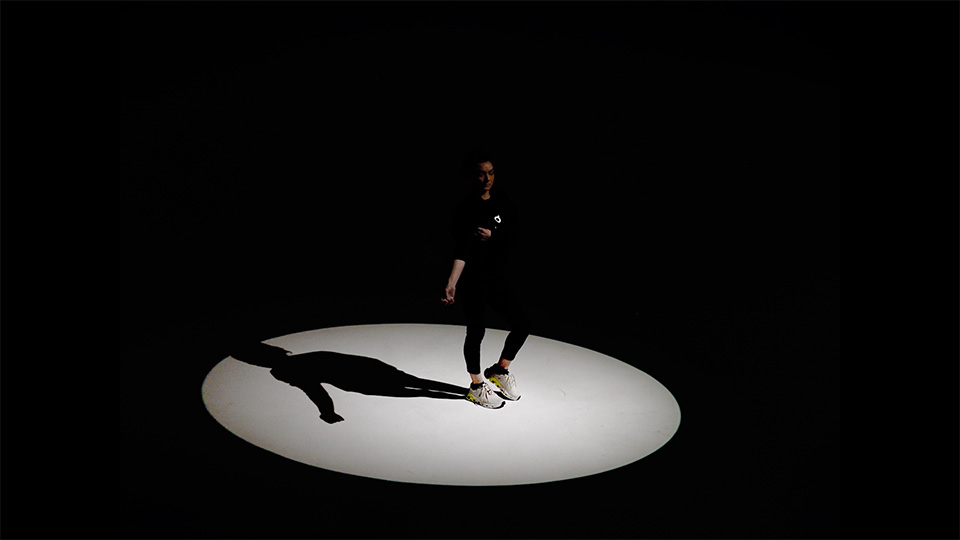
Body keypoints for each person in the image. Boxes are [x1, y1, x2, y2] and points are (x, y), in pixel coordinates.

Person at [441, 151, 530, 409]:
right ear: (472, 176)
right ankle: (477, 385)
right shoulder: (465, 209)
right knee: (476, 331)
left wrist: (494, 235)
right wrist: (451, 284)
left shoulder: (502, 201)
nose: (487, 178)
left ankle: (500, 370)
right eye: (481, 174)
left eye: (490, 173)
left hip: (497, 277)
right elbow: (461, 251)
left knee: (522, 324)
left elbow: (513, 234)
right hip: (474, 281)